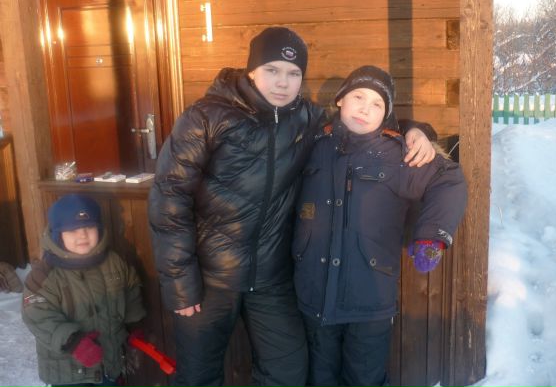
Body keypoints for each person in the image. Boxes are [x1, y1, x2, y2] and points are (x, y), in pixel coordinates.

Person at [147, 27, 436, 387]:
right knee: (197, 378)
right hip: (209, 278)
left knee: (287, 374)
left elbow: (362, 123)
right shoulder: (206, 117)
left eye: (293, 73)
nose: (283, 82)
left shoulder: (308, 119)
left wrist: (416, 129)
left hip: (271, 278)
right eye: (272, 70)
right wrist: (179, 280)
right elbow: (169, 198)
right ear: (252, 70)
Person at [292, 65, 468, 386]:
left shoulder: (399, 155)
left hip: (369, 303)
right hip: (313, 295)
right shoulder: (314, 145)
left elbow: (449, 179)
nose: (365, 109)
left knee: (365, 380)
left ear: (385, 114)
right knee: (319, 378)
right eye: (358, 97)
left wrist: (432, 237)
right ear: (341, 99)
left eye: (377, 104)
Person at [22, 194, 146, 387]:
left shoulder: (114, 262)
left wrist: (134, 328)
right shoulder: (44, 274)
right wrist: (72, 341)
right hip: (68, 371)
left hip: (109, 362)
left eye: (89, 227)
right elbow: (37, 316)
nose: (82, 235)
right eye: (72, 230)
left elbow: (131, 292)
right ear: (58, 235)